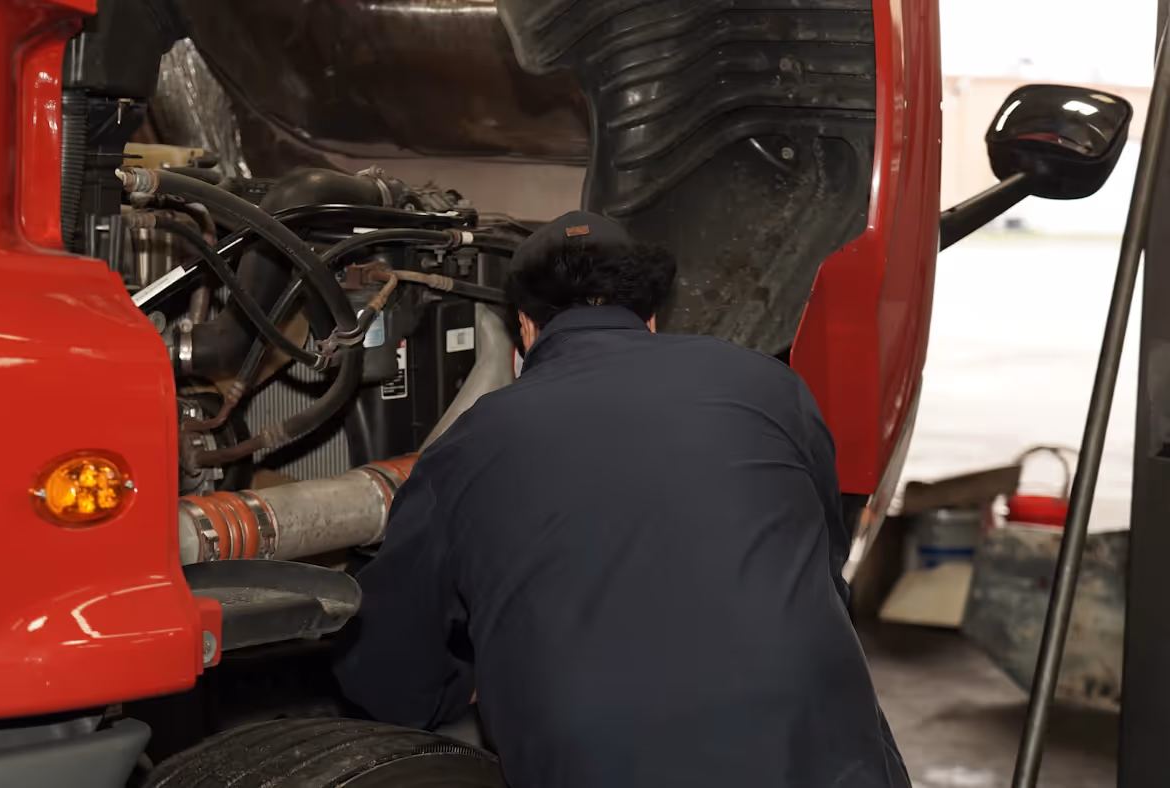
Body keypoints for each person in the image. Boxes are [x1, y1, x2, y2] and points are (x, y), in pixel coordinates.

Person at [334, 211, 910, 788]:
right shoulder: (771, 385)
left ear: (525, 329)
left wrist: (469, 680)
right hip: (830, 758)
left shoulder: (463, 448)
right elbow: (823, 557)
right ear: (651, 317)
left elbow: (387, 674)